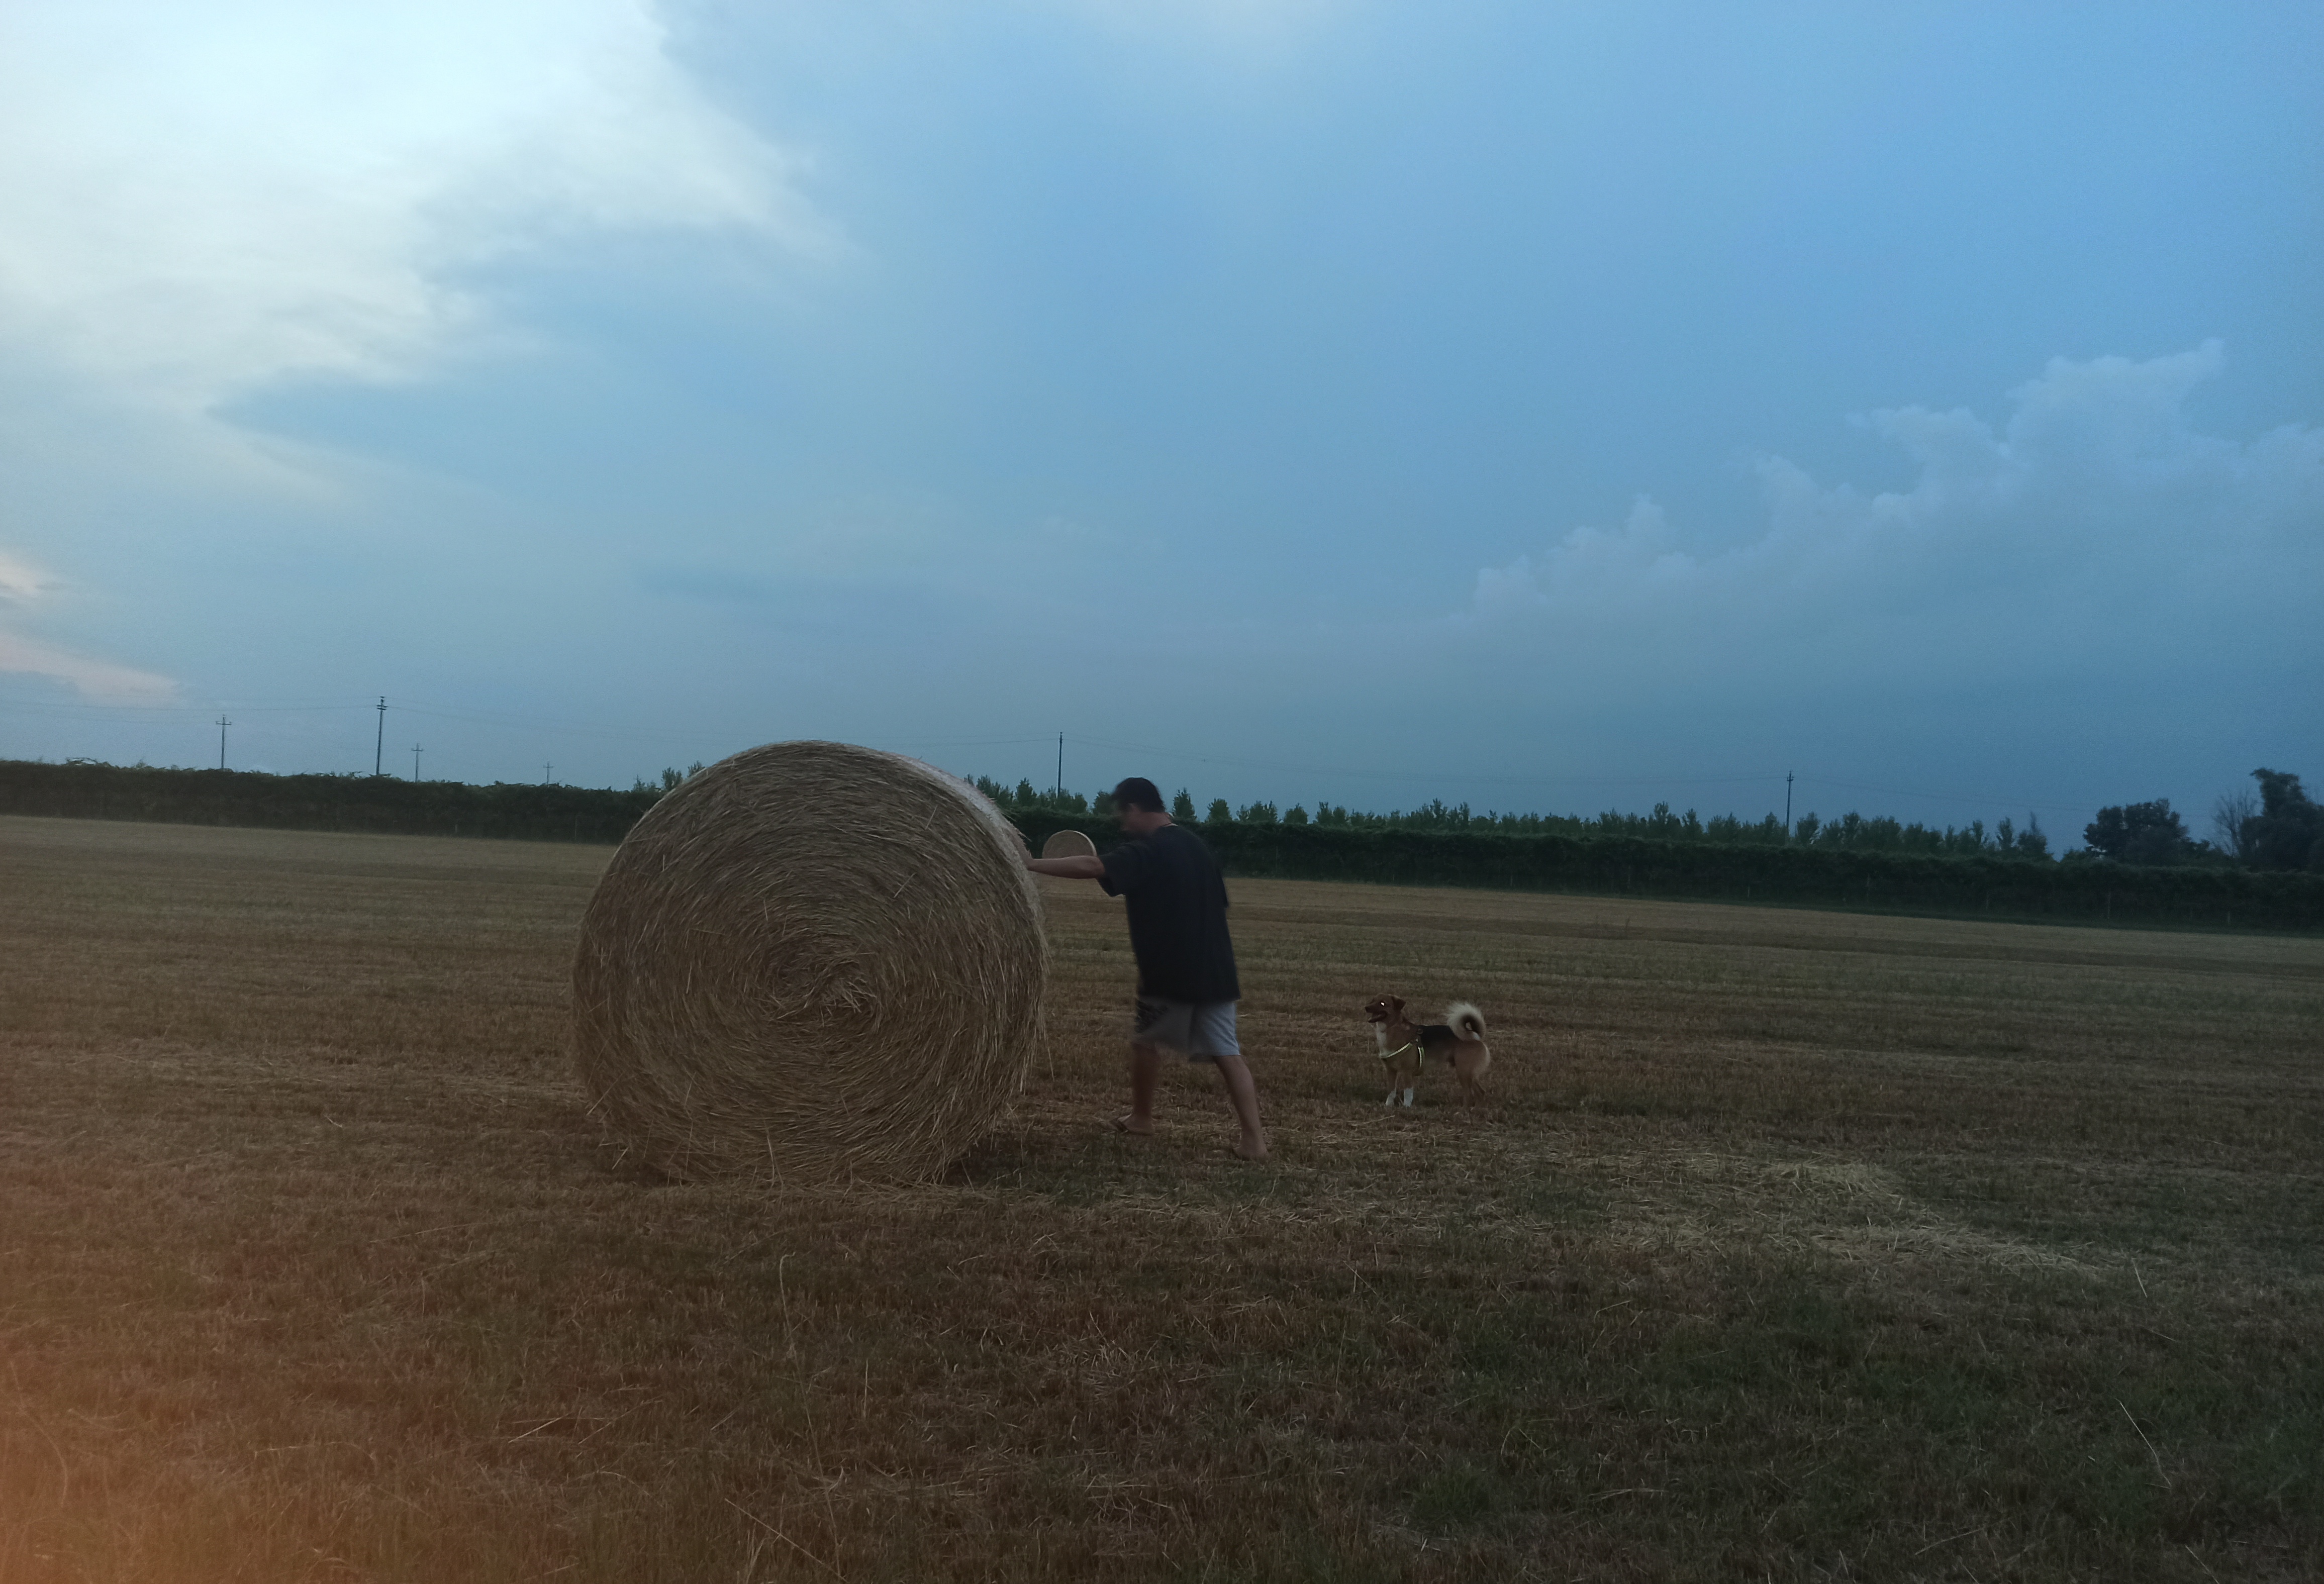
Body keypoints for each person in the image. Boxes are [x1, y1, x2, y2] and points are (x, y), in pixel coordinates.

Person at [1021, 776, 1268, 1160]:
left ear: (1135, 808)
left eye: (1123, 816)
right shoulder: (1195, 845)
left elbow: (1092, 865)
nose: (1122, 826)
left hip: (1169, 975)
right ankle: (1254, 1141)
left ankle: (1142, 1117)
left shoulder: (1149, 851)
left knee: (1144, 1041)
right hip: (1216, 969)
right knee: (1227, 1052)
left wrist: (1029, 864)